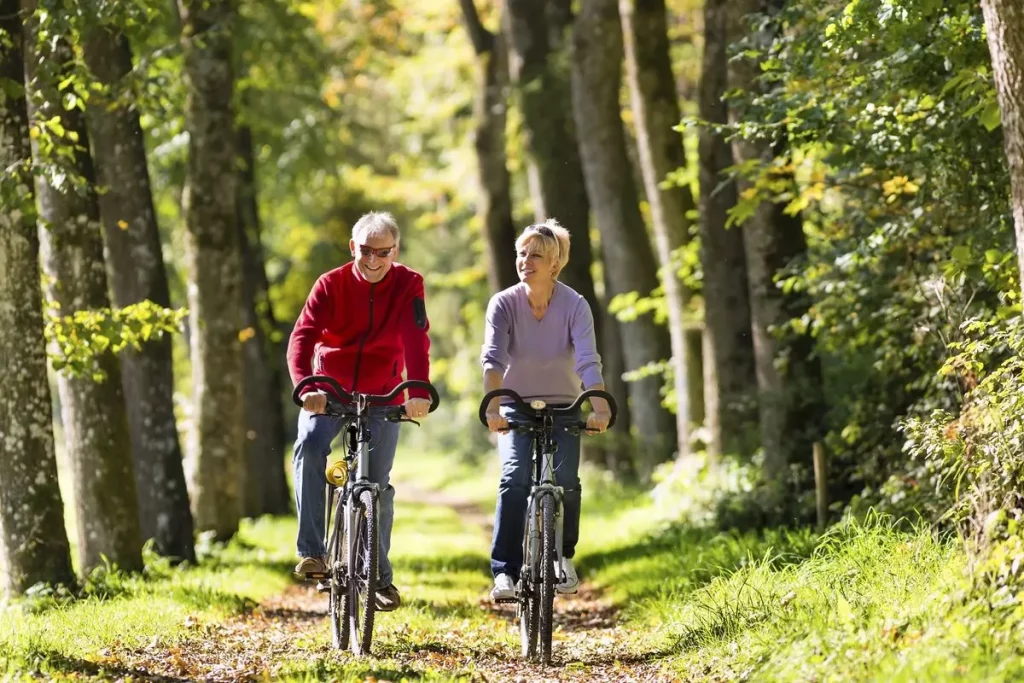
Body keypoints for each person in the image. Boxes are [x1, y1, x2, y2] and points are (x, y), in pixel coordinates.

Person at [287, 210, 432, 612]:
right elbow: (303, 338)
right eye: (365, 251)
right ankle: (313, 551)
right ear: (353, 247)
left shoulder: (408, 283)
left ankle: (378, 576)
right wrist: (307, 386)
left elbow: (415, 338)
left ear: (395, 250)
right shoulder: (329, 284)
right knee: (311, 445)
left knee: (377, 486)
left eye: (382, 253)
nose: (372, 261)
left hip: (384, 392)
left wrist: (417, 390)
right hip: (327, 389)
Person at [479, 218, 612, 601]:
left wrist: (599, 407)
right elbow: (493, 360)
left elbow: (588, 361)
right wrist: (493, 405)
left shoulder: (575, 305)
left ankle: (563, 556)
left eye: (535, 255)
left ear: (555, 264)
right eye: (522, 253)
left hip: (566, 405)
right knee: (514, 477)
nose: (525, 260)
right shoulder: (503, 303)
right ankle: (504, 572)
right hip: (516, 408)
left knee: (567, 481)